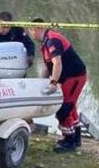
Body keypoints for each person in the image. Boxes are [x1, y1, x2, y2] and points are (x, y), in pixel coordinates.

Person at [28, 19, 88, 153]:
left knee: (65, 108)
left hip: (74, 77)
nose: (30, 33)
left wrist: (53, 83)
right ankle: (75, 138)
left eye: (30, 30)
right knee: (70, 107)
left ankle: (69, 140)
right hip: (67, 77)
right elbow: (48, 66)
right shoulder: (45, 42)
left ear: (37, 29)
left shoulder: (52, 40)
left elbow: (57, 63)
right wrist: (39, 83)